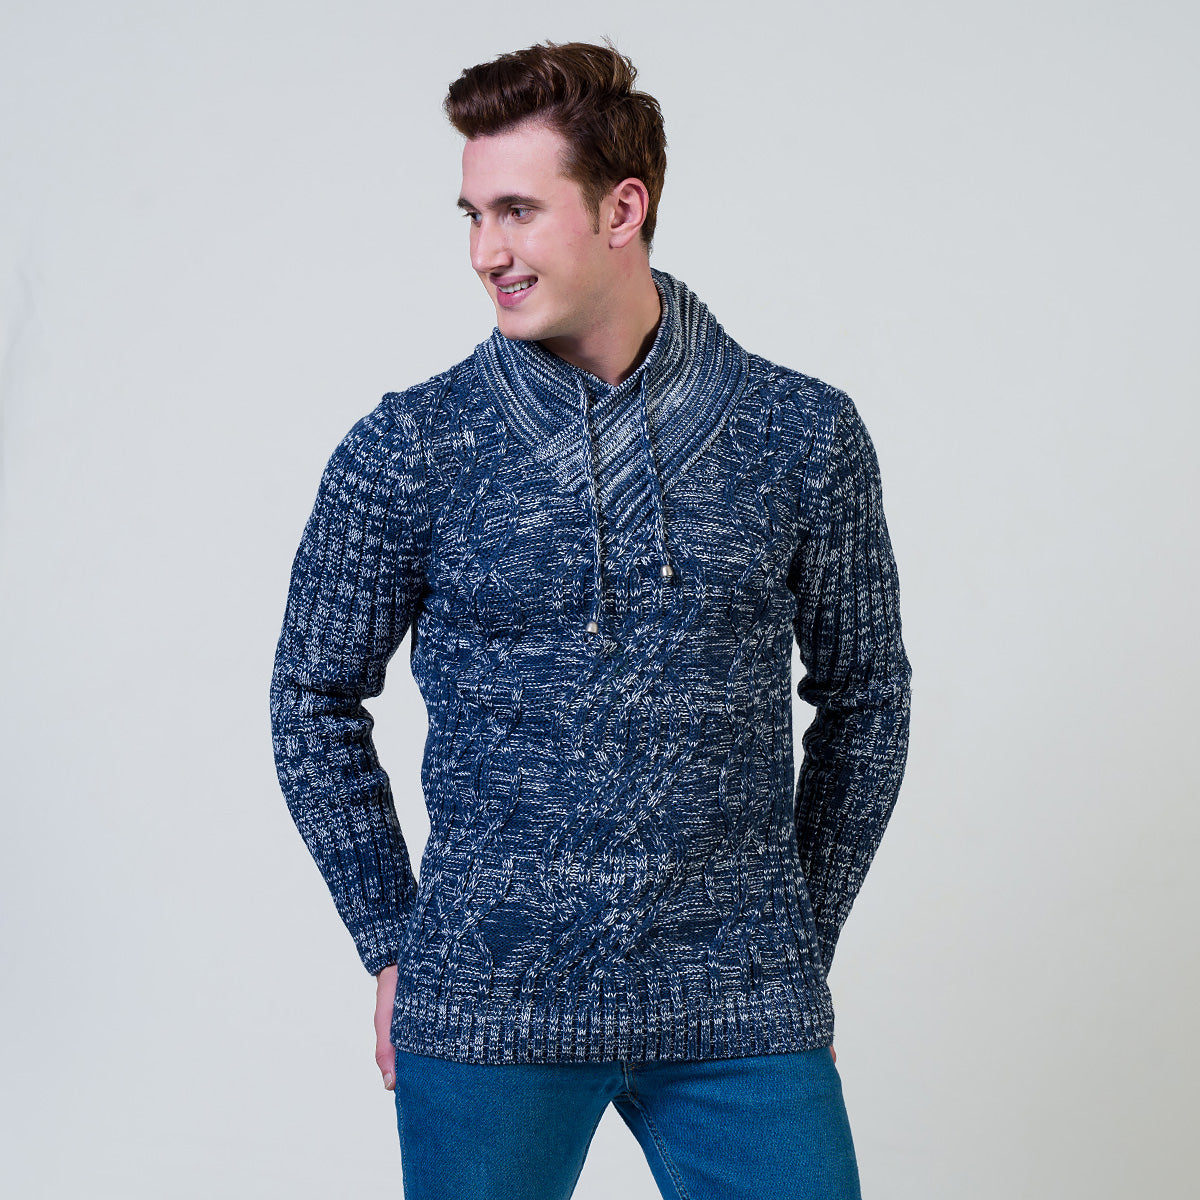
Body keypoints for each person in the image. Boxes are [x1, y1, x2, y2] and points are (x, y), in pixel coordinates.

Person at [269, 38, 911, 1200]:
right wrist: (392, 939)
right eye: (472, 215)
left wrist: (793, 931)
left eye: (517, 211)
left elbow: (866, 697)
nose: (486, 251)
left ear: (624, 208)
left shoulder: (802, 434)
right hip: (487, 1005)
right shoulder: (410, 447)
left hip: (742, 1006)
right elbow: (312, 695)